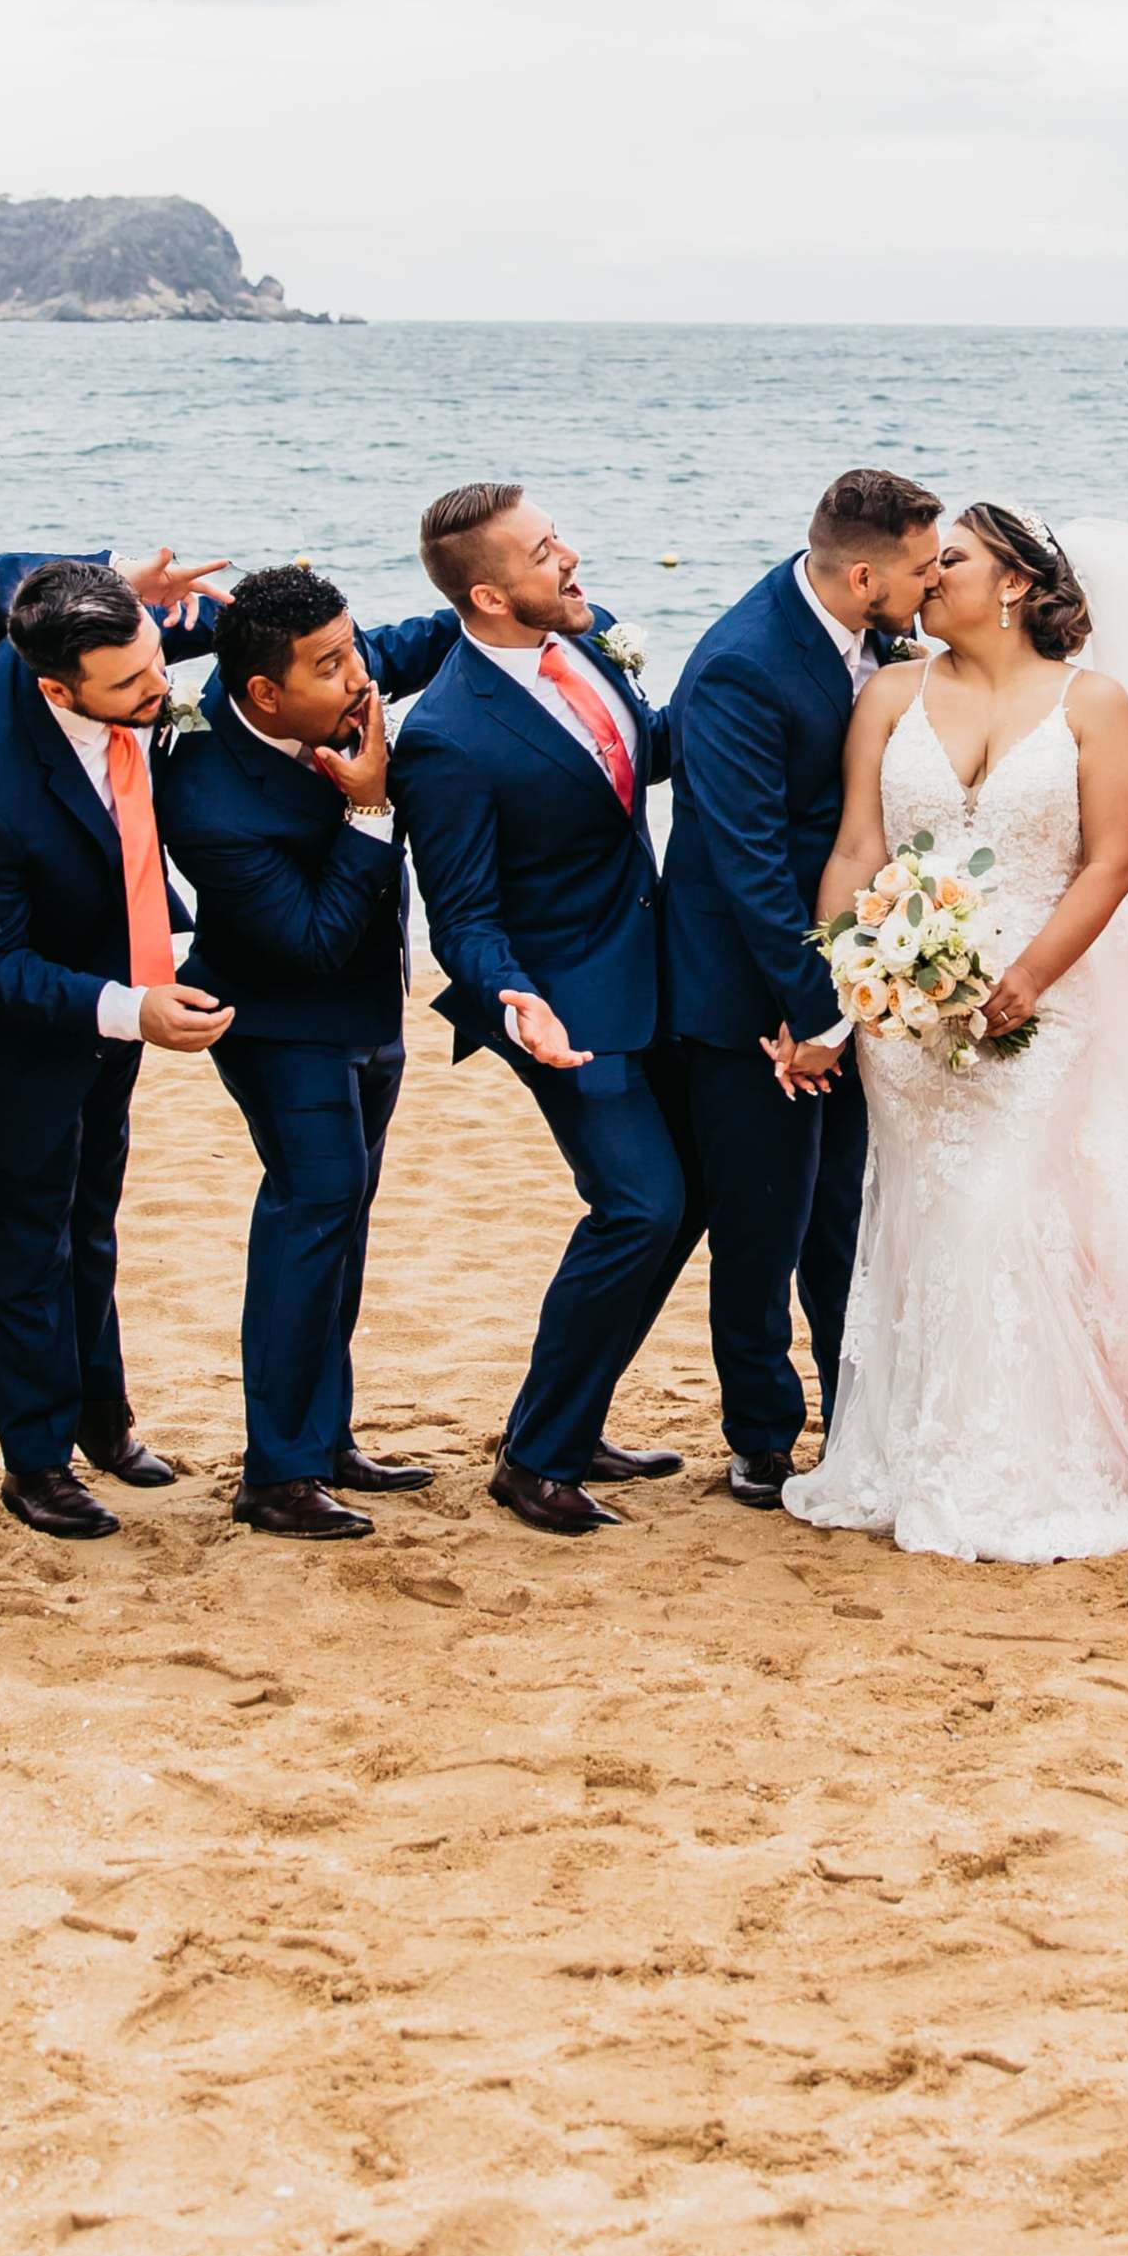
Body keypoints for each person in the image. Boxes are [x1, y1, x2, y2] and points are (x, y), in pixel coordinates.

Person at [781, 506, 1128, 1561]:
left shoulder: (1096, 704)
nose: (927, 576)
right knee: (924, 1218)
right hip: (906, 1012)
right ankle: (905, 1452)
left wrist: (1029, 976)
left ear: (1019, 582)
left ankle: (1012, 1457)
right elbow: (857, 845)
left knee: (1002, 1207)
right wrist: (843, 995)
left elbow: (1110, 862)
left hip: (1046, 999)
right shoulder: (890, 691)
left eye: (952, 560)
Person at [0, 560, 250, 1540]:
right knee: (24, 1250)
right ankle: (35, 1463)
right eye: (134, 684)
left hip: (108, 1006)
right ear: (57, 690)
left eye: (155, 661)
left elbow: (7, 585)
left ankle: (102, 1416)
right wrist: (129, 1008)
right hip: (14, 1042)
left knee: (90, 1223)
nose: (160, 689)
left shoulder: (101, 645)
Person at [134, 564, 470, 1541]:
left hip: (374, 1012)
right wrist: (370, 807)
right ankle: (275, 1472)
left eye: (352, 645)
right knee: (310, 1209)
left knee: (343, 1220)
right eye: (330, 663)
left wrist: (553, 607)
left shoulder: (342, 673)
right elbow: (314, 933)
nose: (359, 674)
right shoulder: (203, 793)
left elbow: (442, 634)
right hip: (280, 1024)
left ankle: (325, 1439)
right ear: (262, 695)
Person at [385, 482, 693, 1535]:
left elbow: (636, 756)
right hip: (557, 1004)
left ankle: (572, 1410)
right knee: (639, 1205)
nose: (569, 556)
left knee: (678, 1204)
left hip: (653, 966)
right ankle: (534, 1459)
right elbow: (460, 916)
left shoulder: (590, 640)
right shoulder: (446, 737)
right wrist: (513, 998)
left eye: (556, 535)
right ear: (485, 591)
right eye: (542, 549)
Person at [652, 470, 947, 1507]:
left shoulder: (873, 639)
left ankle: (857, 1421)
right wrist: (815, 1011)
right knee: (760, 1226)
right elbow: (747, 863)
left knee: (842, 1219)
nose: (936, 579)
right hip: (749, 1000)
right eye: (922, 567)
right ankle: (760, 1439)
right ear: (863, 573)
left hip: (841, 986)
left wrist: (856, 997)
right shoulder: (742, 663)